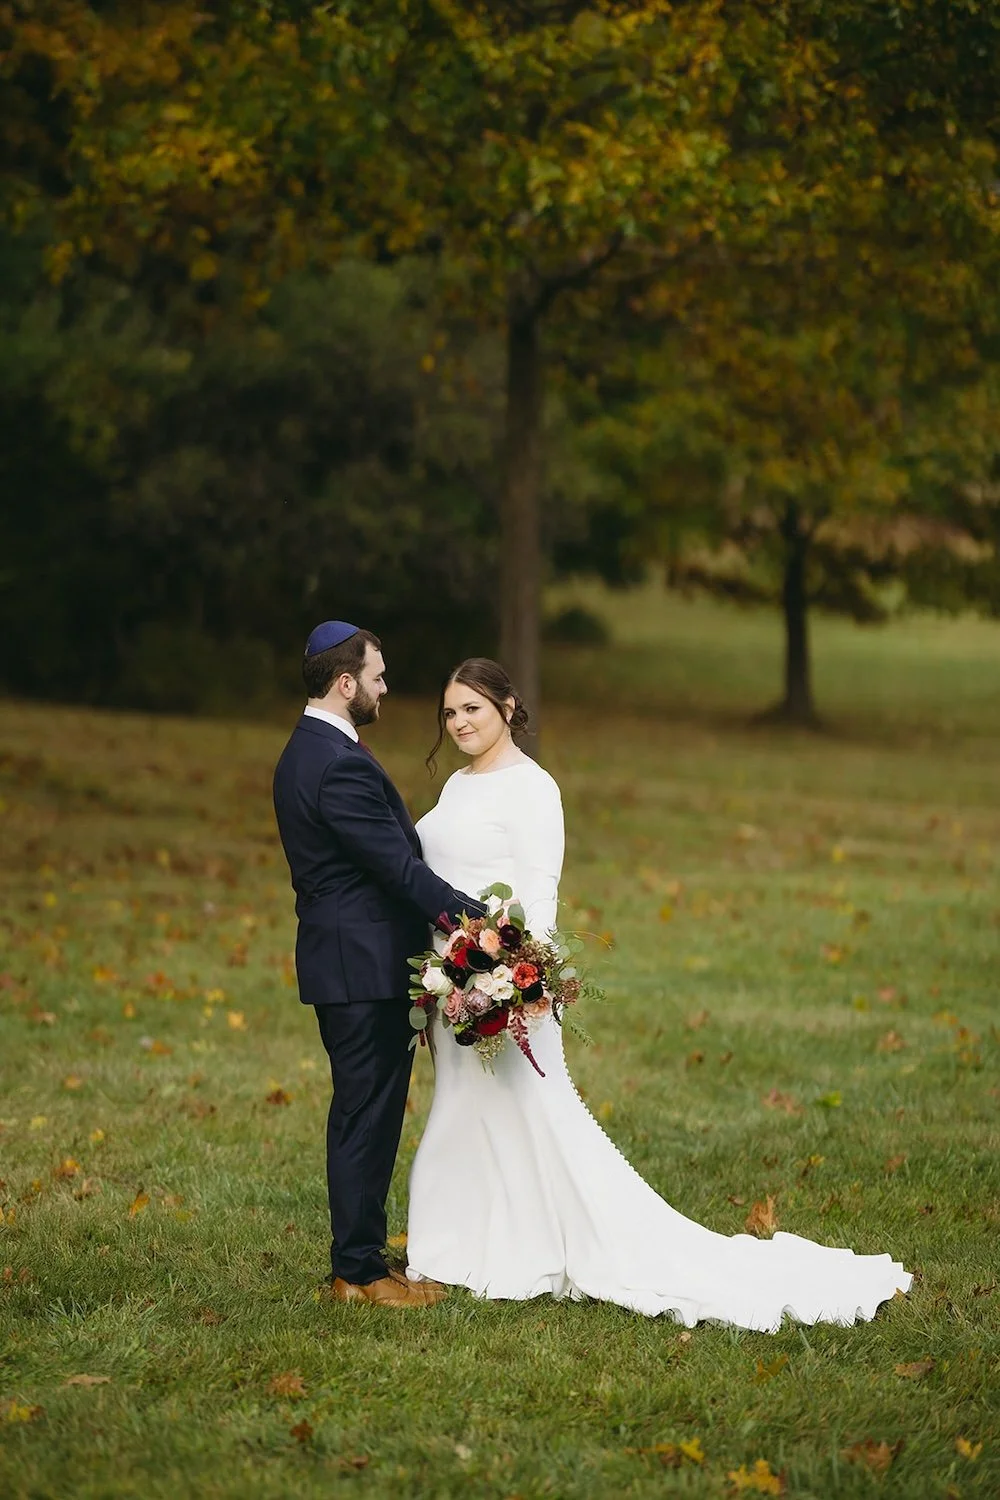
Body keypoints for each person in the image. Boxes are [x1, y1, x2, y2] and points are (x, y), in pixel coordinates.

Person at [406, 657, 912, 1330]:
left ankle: (528, 1247)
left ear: (506, 706)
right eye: (449, 712)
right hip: (452, 984)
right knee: (466, 1112)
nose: (460, 721)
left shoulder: (532, 788)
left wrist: (519, 977)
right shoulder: (459, 788)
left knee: (530, 1115)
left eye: (472, 707)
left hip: (502, 986)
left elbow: (540, 889)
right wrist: (446, 974)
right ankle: (464, 1246)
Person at [272, 621, 484, 1308]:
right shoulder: (334, 764)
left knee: (370, 1111)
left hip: (352, 962)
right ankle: (358, 1275)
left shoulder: (313, 751)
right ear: (345, 683)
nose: (385, 686)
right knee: (365, 1115)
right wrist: (475, 922)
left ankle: (363, 1257)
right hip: (359, 968)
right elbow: (396, 870)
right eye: (378, 675)